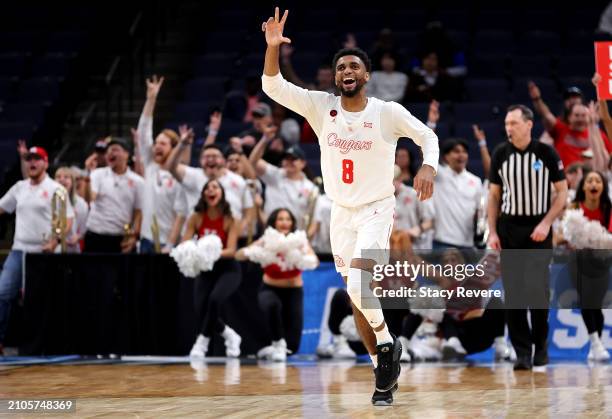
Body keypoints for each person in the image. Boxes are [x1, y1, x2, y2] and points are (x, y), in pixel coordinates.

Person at [261, 7, 438, 405]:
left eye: (354, 66)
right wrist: (273, 48)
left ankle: (389, 346)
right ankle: (383, 372)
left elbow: (428, 136)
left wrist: (428, 166)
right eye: (341, 67)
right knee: (357, 295)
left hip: (376, 208)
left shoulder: (387, 113)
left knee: (360, 285)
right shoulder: (321, 107)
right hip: (340, 212)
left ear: (366, 75)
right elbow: (273, 86)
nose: (346, 71)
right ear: (336, 76)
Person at [487, 105, 568, 371]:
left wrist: (546, 223)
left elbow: (562, 192)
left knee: (537, 291)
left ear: (529, 124)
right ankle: (522, 352)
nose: (509, 128)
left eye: (514, 123)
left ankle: (540, 346)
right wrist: (493, 231)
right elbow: (494, 196)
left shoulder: (546, 152)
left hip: (538, 228)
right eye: (507, 123)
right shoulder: (501, 153)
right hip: (510, 228)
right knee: (514, 293)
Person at [0, 146, 74, 354]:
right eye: (29, 159)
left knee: (38, 301)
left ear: (46, 162)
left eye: (37, 159)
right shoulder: (19, 187)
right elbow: (2, 207)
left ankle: (40, 345)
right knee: (3, 293)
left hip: (43, 254)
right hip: (18, 249)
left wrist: (55, 241)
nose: (32, 163)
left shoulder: (56, 188)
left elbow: (68, 219)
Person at [236, 208, 318, 361]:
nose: (284, 222)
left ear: (292, 223)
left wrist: (302, 256)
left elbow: (315, 262)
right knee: (272, 304)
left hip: (294, 292)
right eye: (280, 219)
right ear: (274, 222)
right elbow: (239, 255)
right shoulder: (267, 239)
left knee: (292, 347)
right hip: (269, 289)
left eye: (288, 219)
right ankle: (277, 343)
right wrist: (255, 252)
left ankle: (270, 350)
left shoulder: (300, 241)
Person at [183, 179, 242, 358]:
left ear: (222, 193)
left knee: (214, 300)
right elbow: (186, 242)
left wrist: (211, 253)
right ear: (203, 195)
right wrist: (191, 250)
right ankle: (230, 335)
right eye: (207, 188)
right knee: (201, 307)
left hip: (228, 269)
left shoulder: (231, 219)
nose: (211, 190)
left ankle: (202, 341)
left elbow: (232, 250)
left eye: (215, 187)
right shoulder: (196, 217)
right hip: (205, 269)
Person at [134, 75, 185, 253]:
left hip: (168, 244)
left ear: (173, 148)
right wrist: (151, 99)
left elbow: (181, 214)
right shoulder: (150, 166)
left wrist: (170, 244)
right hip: (146, 239)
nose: (156, 147)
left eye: (163, 144)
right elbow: (143, 131)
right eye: (156, 143)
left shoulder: (180, 175)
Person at [566, 170, 611, 362]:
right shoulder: (574, 207)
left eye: (598, 181)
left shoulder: (608, 208)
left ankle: (596, 344)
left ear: (602, 187)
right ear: (583, 186)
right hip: (578, 260)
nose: (594, 184)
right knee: (585, 300)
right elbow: (564, 235)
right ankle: (595, 343)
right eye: (590, 180)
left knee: (596, 304)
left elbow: (609, 238)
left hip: (602, 260)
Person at [84, 138, 145, 253]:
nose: (110, 153)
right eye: (108, 151)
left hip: (121, 237)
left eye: (115, 150)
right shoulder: (98, 174)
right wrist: (87, 175)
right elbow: (89, 199)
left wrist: (133, 236)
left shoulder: (138, 181)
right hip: (96, 234)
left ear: (126, 154)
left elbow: (138, 212)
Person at [433, 138, 482, 249]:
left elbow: (480, 212)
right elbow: (425, 156)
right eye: (456, 151)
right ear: (446, 157)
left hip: (467, 244)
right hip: (441, 242)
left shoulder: (476, 181)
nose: (461, 155)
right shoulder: (439, 175)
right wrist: (431, 124)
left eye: (464, 152)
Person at [54, 166, 89, 253]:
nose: (62, 179)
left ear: (72, 182)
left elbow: (84, 229)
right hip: (52, 247)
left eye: (66, 177)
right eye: (58, 177)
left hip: (72, 248)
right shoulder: (47, 201)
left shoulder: (81, 204)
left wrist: (77, 237)